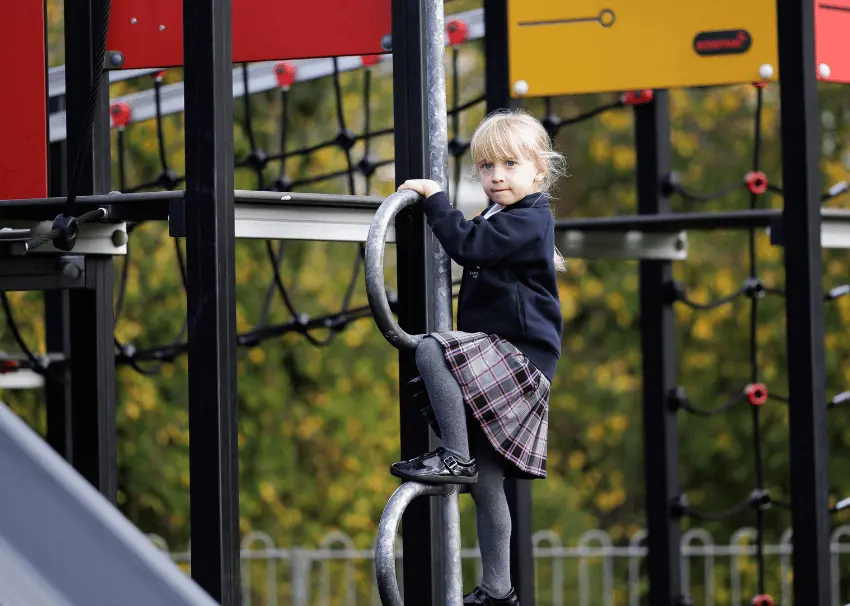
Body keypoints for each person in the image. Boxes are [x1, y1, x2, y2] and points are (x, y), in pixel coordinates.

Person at [392, 108, 566, 605]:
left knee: (430, 347)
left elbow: (468, 246)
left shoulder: (531, 219)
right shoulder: (503, 216)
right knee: (488, 482)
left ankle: (454, 455)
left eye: (510, 165)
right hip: (504, 351)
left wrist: (433, 200)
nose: (496, 176)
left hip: (518, 355)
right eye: (487, 167)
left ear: (539, 170)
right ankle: (498, 590)